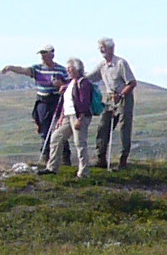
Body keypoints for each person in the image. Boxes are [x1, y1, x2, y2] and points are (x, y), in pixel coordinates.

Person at [0, 45, 67, 164]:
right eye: (41, 53)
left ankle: (65, 158)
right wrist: (10, 68)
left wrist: (60, 85)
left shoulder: (61, 69)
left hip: (57, 101)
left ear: (52, 54)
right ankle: (46, 158)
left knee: (60, 130)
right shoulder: (37, 68)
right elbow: (23, 70)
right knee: (45, 130)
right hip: (43, 101)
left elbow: (68, 85)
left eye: (45, 53)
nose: (42, 56)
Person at [88, 37, 138, 170]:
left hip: (123, 98)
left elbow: (132, 83)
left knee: (124, 128)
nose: (101, 50)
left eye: (103, 47)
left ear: (111, 48)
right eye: (100, 48)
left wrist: (121, 95)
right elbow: (90, 77)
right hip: (110, 99)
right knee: (103, 126)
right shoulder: (102, 65)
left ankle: (123, 160)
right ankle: (101, 158)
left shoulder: (120, 63)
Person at [45, 58, 92, 175]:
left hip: (78, 116)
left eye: (69, 68)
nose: (67, 70)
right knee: (56, 137)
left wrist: (80, 118)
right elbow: (66, 103)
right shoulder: (70, 83)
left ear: (76, 68)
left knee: (80, 143)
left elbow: (85, 102)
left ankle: (84, 172)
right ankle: (52, 168)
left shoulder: (83, 83)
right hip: (67, 116)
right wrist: (61, 118)